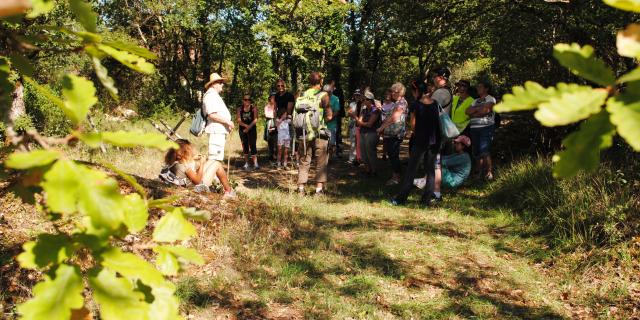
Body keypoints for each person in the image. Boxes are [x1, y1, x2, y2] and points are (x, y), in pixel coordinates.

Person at [391, 84, 441, 207]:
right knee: (430, 171)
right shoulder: (435, 103)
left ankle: (401, 199)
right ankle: (426, 200)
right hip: (434, 141)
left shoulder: (416, 104)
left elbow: (413, 125)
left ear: (417, 91)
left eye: (413, 91)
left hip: (420, 141)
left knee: (411, 170)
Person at [296, 72, 333, 195]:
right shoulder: (324, 95)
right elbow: (329, 115)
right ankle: (318, 190)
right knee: (321, 161)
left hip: (303, 133)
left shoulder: (301, 95)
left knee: (303, 161)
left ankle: (301, 189)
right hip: (319, 134)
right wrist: (320, 122)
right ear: (320, 82)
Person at [164, 139, 235, 198]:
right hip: (197, 188)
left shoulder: (173, 163)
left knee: (211, 161)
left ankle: (227, 190)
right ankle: (228, 191)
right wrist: (202, 164)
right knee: (217, 164)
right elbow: (197, 181)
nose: (191, 153)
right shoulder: (185, 167)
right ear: (184, 153)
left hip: (187, 185)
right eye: (189, 152)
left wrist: (192, 158)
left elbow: (184, 170)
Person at [203, 73, 235, 199]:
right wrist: (228, 121)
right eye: (220, 82)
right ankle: (204, 184)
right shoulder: (210, 96)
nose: (222, 85)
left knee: (216, 159)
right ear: (213, 84)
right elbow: (212, 114)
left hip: (219, 131)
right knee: (214, 159)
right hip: (216, 131)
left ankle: (213, 185)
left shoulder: (214, 95)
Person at [377, 82, 408, 186]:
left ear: (398, 92)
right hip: (390, 133)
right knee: (391, 154)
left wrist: (381, 127)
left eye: (392, 91)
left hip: (396, 134)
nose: (391, 93)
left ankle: (397, 177)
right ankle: (396, 175)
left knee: (393, 155)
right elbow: (389, 116)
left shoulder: (402, 103)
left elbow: (394, 118)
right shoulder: (397, 103)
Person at [466, 80, 497, 180]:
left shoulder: (490, 99)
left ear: (486, 88)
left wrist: (475, 111)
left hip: (486, 128)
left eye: (480, 86)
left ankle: (488, 174)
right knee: (477, 152)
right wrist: (478, 109)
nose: (478, 89)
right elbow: (467, 111)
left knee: (485, 151)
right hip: (474, 128)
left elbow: (485, 111)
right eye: (477, 87)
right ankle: (478, 173)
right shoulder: (475, 100)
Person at [356, 90, 381, 176]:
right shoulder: (364, 110)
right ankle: (367, 170)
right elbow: (359, 122)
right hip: (363, 133)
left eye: (364, 99)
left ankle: (374, 171)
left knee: (370, 151)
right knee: (363, 152)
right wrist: (362, 122)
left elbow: (370, 124)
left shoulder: (376, 110)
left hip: (372, 133)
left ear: (370, 100)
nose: (362, 101)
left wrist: (361, 122)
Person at [237, 94, 259, 170]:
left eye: (248, 99)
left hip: (252, 129)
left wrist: (249, 127)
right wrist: (246, 126)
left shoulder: (254, 108)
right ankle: (246, 163)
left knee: (253, 145)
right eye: (245, 99)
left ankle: (255, 163)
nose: (247, 101)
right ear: (243, 100)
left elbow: (255, 119)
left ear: (250, 101)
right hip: (242, 130)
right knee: (245, 145)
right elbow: (239, 120)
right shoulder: (240, 109)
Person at [324, 84, 341, 160]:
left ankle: (329, 158)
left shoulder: (335, 98)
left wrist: (329, 118)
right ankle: (324, 158)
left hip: (332, 124)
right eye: (325, 92)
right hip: (322, 124)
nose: (326, 93)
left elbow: (337, 111)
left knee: (331, 143)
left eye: (327, 92)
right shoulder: (322, 98)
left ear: (331, 91)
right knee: (323, 143)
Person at [329, 79, 345, 156]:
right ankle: (331, 151)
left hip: (337, 115)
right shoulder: (327, 92)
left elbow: (341, 103)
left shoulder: (338, 92)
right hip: (331, 116)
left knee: (338, 133)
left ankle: (338, 150)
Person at [347, 89, 363, 165]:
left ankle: (360, 158)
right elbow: (349, 113)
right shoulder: (352, 104)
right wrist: (354, 115)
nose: (357, 96)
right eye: (356, 95)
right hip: (353, 124)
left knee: (360, 142)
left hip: (361, 124)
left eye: (358, 95)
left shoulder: (363, 104)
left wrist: (354, 115)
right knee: (353, 141)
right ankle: (352, 158)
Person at [264, 91, 278, 161]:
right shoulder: (267, 106)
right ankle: (270, 154)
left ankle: (276, 154)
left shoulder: (278, 106)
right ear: (270, 98)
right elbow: (267, 115)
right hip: (270, 123)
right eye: (272, 97)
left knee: (277, 139)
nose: (274, 99)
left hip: (277, 123)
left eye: (275, 97)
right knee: (270, 139)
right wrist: (275, 115)